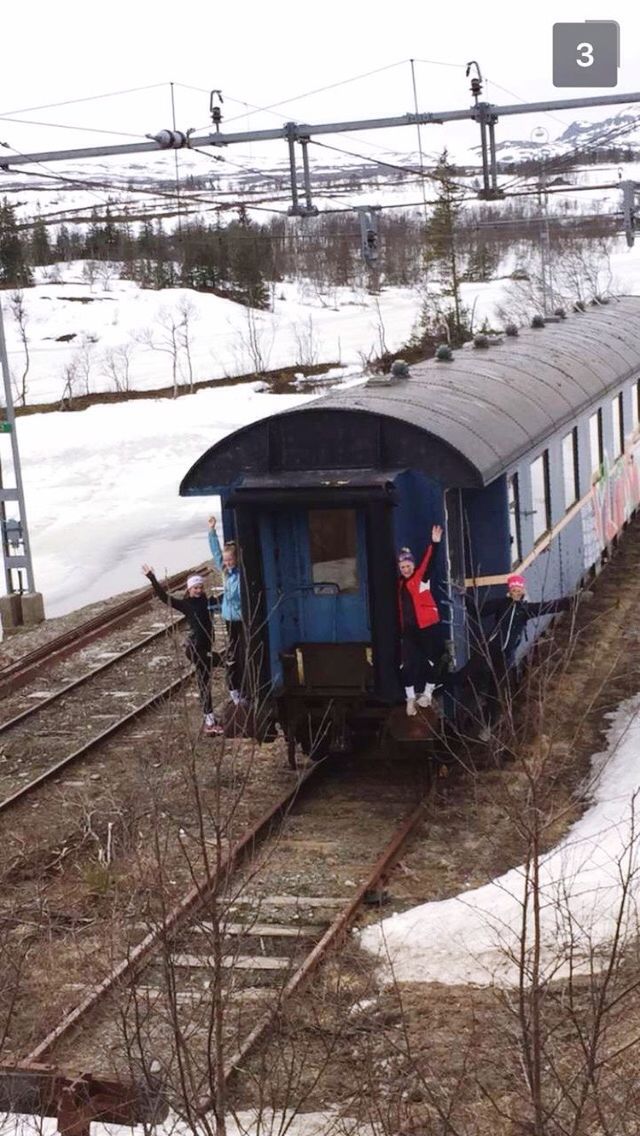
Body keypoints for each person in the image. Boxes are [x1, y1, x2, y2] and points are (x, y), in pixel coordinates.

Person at [461, 572, 574, 738]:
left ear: (522, 590)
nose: (516, 592)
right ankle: (442, 685)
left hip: (505, 656)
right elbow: (480, 611)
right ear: (510, 590)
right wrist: (465, 597)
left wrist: (571, 601)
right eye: (513, 589)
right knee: (471, 675)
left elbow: (549, 606)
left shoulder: (525, 610)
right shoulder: (501, 604)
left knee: (498, 689)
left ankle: (489, 725)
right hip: (491, 650)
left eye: (518, 589)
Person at [141, 564, 223, 736]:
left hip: (205, 647)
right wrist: (152, 578)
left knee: (205, 682)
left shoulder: (208, 602)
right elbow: (165, 598)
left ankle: (210, 721)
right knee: (222, 665)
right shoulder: (186, 605)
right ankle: (211, 721)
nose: (198, 590)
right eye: (195, 588)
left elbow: (225, 600)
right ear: (189, 589)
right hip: (195, 650)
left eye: (200, 587)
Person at [398, 524, 445, 716]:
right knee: (406, 664)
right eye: (402, 567)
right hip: (409, 629)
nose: (406, 569)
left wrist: (434, 544)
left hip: (426, 626)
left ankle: (427, 694)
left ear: (413, 565)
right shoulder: (400, 583)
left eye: (408, 566)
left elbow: (429, 562)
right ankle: (410, 698)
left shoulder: (421, 578)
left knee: (432, 661)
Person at [208, 516, 247, 705]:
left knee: (243, 650)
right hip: (229, 618)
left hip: (241, 617)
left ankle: (244, 685)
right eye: (226, 560)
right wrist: (212, 532)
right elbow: (216, 554)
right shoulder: (226, 572)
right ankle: (234, 688)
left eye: (230, 559)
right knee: (233, 653)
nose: (228, 562)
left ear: (236, 558)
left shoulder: (241, 574)